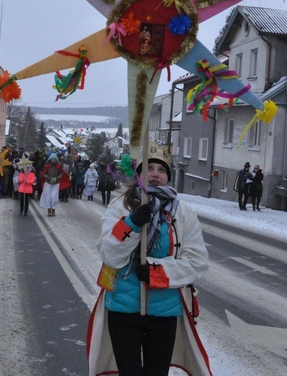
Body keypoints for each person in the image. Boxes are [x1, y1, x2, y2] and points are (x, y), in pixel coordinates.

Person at [88, 143, 211, 376]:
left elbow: (197, 261)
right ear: (140, 174)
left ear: (168, 177)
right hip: (123, 309)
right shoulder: (120, 207)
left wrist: (156, 272)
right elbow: (109, 253)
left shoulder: (182, 212)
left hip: (164, 311)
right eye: (149, 169)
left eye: (161, 170)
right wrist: (132, 224)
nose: (155, 174)